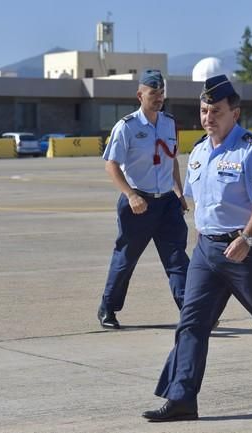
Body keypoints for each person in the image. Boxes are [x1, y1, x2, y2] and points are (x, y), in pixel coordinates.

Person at [142, 75, 252, 422]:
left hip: (246, 250)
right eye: (205, 110)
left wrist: (248, 238)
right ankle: (182, 398)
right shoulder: (198, 152)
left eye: (216, 111)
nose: (209, 117)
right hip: (208, 252)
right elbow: (195, 201)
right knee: (191, 323)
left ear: (235, 114)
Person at [97, 69, 190, 329]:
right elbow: (111, 165)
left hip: (168, 203)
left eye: (161, 93)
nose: (158, 97)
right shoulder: (126, 127)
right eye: (153, 93)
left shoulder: (170, 123)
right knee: (126, 259)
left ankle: (191, 311)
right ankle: (108, 307)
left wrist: (179, 192)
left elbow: (172, 162)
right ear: (140, 95)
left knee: (177, 260)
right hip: (138, 204)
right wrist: (130, 195)